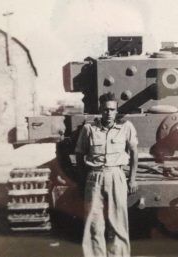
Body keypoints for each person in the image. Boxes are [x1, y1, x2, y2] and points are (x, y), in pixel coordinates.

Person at [75, 92, 138, 257]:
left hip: (116, 175)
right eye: (105, 110)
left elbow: (134, 153)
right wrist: (84, 179)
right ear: (100, 110)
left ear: (116, 111)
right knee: (94, 224)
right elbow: (79, 155)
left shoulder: (126, 127)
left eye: (112, 110)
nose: (108, 113)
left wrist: (132, 179)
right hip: (94, 177)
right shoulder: (89, 129)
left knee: (118, 223)